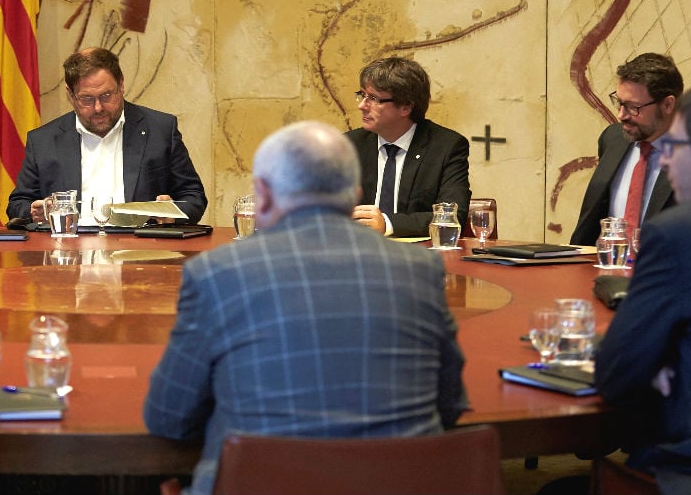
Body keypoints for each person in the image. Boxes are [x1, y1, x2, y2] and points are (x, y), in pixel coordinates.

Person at [144, 121, 467, 495]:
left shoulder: (216, 274)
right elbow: (450, 403)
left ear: (262, 195)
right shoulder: (421, 269)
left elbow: (169, 417)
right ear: (356, 194)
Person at [595, 79, 691, 495]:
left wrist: (667, 360)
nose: (664, 162)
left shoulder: (680, 233)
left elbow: (617, 374)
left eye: (674, 148)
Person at [7, 48, 207, 224]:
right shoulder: (43, 141)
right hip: (69, 255)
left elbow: (194, 197)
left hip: (140, 253)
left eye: (106, 96)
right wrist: (34, 212)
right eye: (87, 99)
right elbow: (17, 204)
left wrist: (172, 211)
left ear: (121, 85)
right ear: (70, 94)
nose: (98, 107)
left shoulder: (160, 130)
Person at [345, 57, 471, 237]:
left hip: (418, 257)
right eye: (362, 95)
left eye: (373, 98)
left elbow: (451, 217)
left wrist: (387, 223)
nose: (362, 105)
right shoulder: (349, 145)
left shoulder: (446, 146)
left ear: (405, 107)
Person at [571, 53, 684, 245]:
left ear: (667, 104)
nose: (621, 115)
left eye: (633, 107)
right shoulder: (613, 139)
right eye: (619, 102)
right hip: (603, 269)